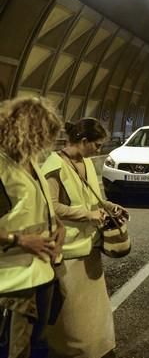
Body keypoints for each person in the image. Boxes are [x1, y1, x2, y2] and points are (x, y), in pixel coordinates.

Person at [42, 118, 126, 357]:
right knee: (73, 318)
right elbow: (52, 207)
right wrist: (88, 215)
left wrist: (111, 206)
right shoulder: (53, 166)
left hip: (91, 246)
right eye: (97, 145)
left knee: (95, 313)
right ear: (83, 141)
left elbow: (93, 197)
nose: (99, 151)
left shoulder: (87, 163)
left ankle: (97, 349)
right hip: (68, 252)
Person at [0, 97, 65, 358]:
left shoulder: (30, 162)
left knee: (35, 344)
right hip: (12, 282)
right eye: (41, 136)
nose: (44, 144)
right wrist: (21, 240)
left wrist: (57, 226)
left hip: (42, 271)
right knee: (16, 349)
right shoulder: (2, 169)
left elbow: (35, 207)